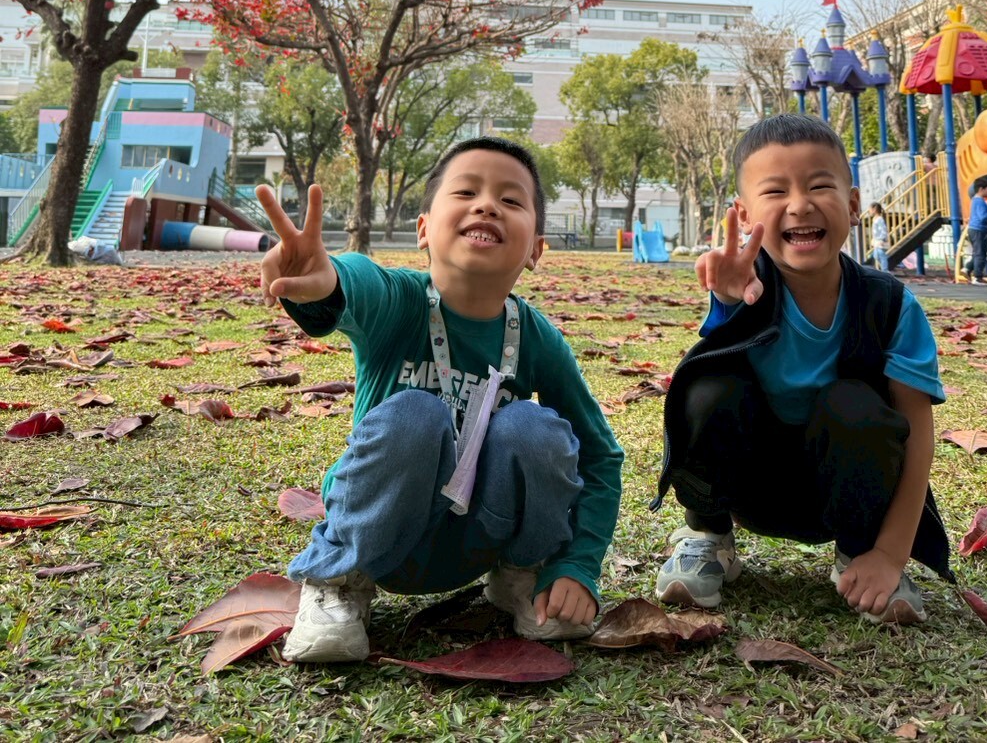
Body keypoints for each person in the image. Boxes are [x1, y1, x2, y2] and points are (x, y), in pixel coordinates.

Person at [256, 136, 623, 663]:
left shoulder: (537, 337)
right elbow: (358, 282)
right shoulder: (401, 301)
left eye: (511, 200)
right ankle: (338, 581)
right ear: (424, 229)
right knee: (416, 411)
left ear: (537, 248)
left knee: (534, 426)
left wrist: (578, 565)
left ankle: (522, 577)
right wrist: (324, 284)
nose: (487, 205)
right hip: (384, 530)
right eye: (467, 191)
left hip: (480, 539)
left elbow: (600, 453)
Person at [652, 114, 950, 625]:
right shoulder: (743, 292)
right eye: (775, 191)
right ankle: (708, 538)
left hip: (843, 492)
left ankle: (857, 556)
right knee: (705, 385)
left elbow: (917, 438)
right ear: (745, 217)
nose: (799, 204)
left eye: (818, 185)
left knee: (854, 403)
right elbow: (727, 307)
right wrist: (725, 298)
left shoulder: (891, 306)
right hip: (749, 488)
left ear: (853, 204)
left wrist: (889, 554)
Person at [869, 203, 890, 272]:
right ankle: (883, 269)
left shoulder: (880, 219)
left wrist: (881, 239)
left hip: (880, 241)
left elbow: (884, 230)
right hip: (876, 241)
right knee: (876, 255)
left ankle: (885, 270)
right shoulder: (875, 219)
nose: (869, 211)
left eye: (870, 209)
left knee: (881, 255)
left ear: (874, 209)